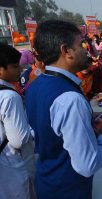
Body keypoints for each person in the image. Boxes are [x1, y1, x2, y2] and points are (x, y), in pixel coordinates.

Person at [25, 20, 102, 199]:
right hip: (69, 190)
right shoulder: (70, 99)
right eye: (81, 45)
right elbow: (87, 165)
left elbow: (50, 131)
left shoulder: (35, 85)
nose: (86, 50)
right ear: (66, 51)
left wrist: (87, 119)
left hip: (47, 182)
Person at [0, 43, 35, 199]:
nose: (20, 70)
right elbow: (19, 140)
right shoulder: (9, 96)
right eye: (15, 66)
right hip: (12, 164)